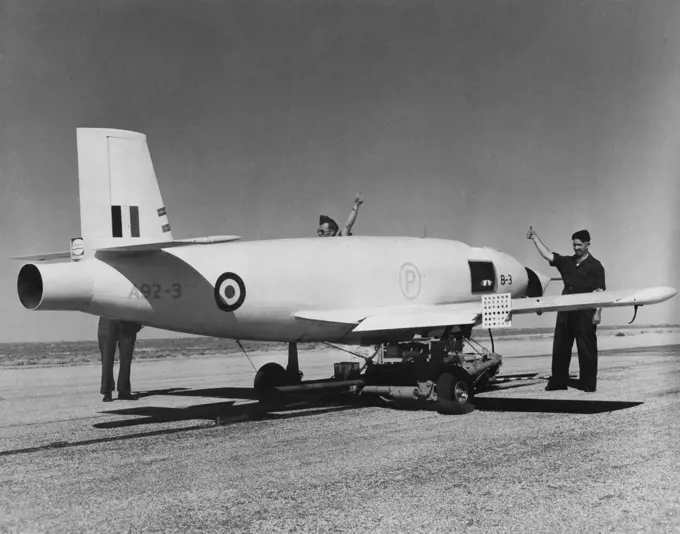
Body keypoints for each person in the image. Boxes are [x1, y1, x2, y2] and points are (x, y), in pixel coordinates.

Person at [526, 226, 605, 392]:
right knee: (560, 347)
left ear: (587, 244)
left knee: (587, 349)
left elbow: (600, 291)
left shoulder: (596, 266)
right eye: (574, 245)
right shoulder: (567, 262)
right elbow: (548, 255)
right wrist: (535, 238)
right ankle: (558, 382)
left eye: (579, 245)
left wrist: (598, 312)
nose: (576, 248)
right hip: (565, 312)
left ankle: (588, 383)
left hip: (585, 312)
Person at [98, 317, 144, 402]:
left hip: (113, 318)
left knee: (115, 357)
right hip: (119, 317)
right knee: (111, 357)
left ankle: (111, 391)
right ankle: (116, 391)